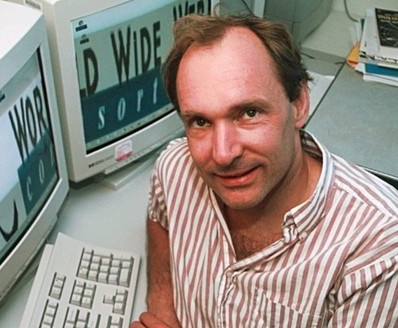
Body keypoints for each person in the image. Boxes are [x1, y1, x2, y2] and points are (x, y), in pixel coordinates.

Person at [131, 14, 398, 327]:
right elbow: (160, 220)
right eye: (200, 121)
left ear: (298, 103)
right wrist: (162, 306)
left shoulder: (379, 249)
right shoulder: (175, 167)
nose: (223, 153)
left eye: (248, 113)